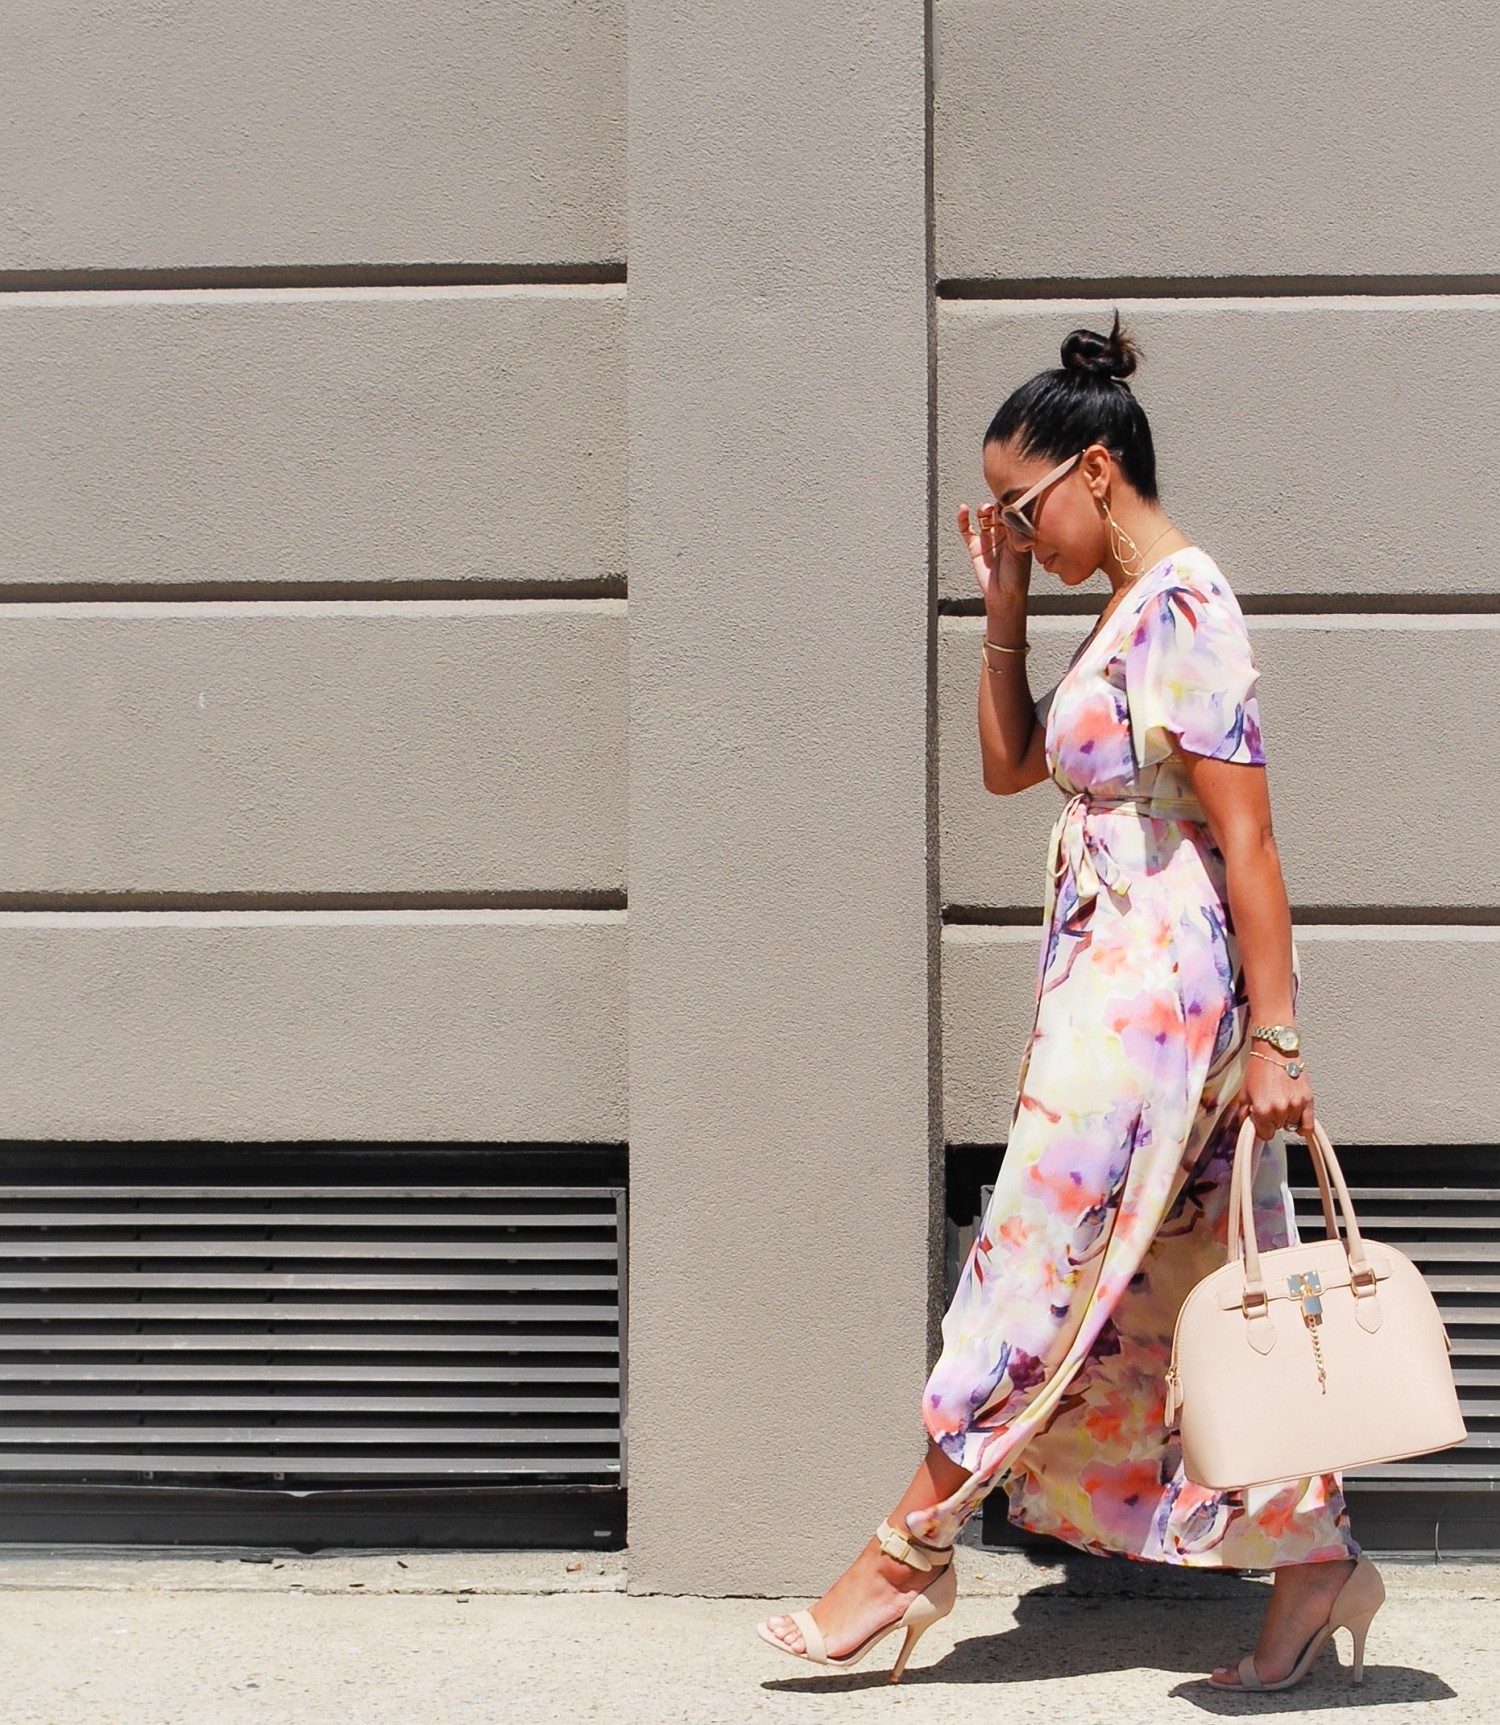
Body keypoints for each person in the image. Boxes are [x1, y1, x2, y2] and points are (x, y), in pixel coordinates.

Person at [757, 314, 1384, 1692]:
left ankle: (907, 1547)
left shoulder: (1192, 604)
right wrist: (1000, 609)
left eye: (1021, 506)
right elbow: (1010, 767)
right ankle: (1316, 1554)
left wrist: (1279, 1035)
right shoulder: (1120, 608)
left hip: (1159, 994)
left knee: (1031, 1250)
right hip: (1107, 982)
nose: (1012, 529)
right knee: (1195, 1275)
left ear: (1097, 470)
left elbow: (1252, 840)